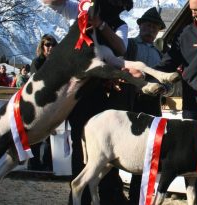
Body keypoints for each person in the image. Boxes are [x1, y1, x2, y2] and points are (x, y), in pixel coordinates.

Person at [132, 0, 197, 204]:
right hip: (193, 109)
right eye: (192, 10)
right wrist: (144, 77)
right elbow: (167, 63)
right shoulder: (184, 34)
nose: (194, 14)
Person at [42, 0, 133, 204]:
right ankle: (79, 199)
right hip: (76, 92)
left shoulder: (119, 25)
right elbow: (50, 2)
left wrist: (101, 25)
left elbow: (121, 48)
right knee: (80, 149)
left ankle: (110, 196)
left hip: (98, 92)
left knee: (106, 148)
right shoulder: (82, 9)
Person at [105, 7, 166, 205]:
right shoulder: (127, 46)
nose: (150, 30)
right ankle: (113, 192)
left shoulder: (160, 54)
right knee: (115, 148)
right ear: (140, 26)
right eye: (147, 25)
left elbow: (166, 83)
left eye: (155, 27)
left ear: (158, 31)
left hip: (150, 107)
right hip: (127, 104)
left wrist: (162, 88)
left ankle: (137, 198)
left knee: (146, 152)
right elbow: (115, 67)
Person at [28, 34, 57, 171]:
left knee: (51, 136)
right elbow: (36, 82)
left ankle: (48, 163)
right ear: (42, 46)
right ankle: (33, 163)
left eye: (53, 45)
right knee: (35, 134)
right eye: (47, 45)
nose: (50, 48)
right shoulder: (37, 62)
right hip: (37, 104)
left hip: (53, 104)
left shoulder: (58, 62)